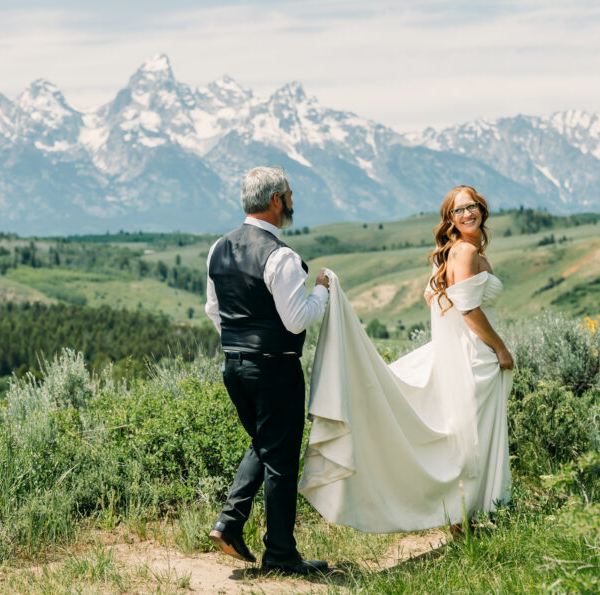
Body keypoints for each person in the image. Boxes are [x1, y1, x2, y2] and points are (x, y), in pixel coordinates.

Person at [298, 185, 514, 533]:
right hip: (473, 357)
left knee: (466, 437)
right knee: (468, 440)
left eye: (472, 206)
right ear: (450, 219)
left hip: (462, 352)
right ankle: (462, 516)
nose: (467, 214)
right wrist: (501, 349)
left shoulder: (454, 253)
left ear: (482, 209)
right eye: (459, 210)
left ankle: (465, 516)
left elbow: (435, 299)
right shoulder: (465, 253)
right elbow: (469, 309)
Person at [205, 166, 331, 575]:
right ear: (277, 200)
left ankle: (229, 522)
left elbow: (214, 310)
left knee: (265, 443)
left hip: (234, 367)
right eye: (290, 194)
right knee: (280, 459)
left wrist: (241, 341)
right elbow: (297, 319)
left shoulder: (217, 248)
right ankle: (280, 553)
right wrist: (323, 290)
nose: (293, 201)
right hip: (275, 369)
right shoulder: (282, 256)